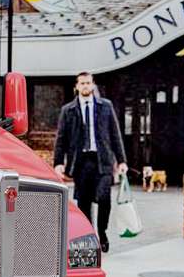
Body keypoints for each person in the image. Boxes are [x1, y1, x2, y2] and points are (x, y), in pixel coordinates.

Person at [51, 71, 127, 252]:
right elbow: (61, 139)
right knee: (83, 202)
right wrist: (58, 163)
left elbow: (115, 135)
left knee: (103, 198)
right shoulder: (68, 110)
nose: (85, 86)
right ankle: (89, 236)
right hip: (81, 162)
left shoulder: (106, 106)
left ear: (93, 85)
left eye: (88, 83)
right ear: (77, 87)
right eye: (82, 83)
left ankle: (102, 231)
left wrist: (122, 160)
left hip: (103, 160)